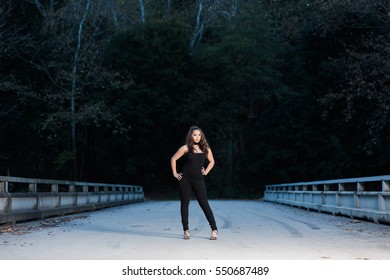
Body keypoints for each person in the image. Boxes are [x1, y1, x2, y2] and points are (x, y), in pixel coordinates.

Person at [170, 126, 218, 240]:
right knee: (185, 204)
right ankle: (186, 230)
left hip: (198, 180)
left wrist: (206, 171)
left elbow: (212, 161)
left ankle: (214, 229)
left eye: (199, 135)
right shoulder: (186, 148)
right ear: (191, 136)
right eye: (194, 135)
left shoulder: (205, 148)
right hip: (185, 180)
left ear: (202, 137)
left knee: (204, 203)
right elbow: (173, 159)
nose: (197, 137)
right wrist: (175, 173)